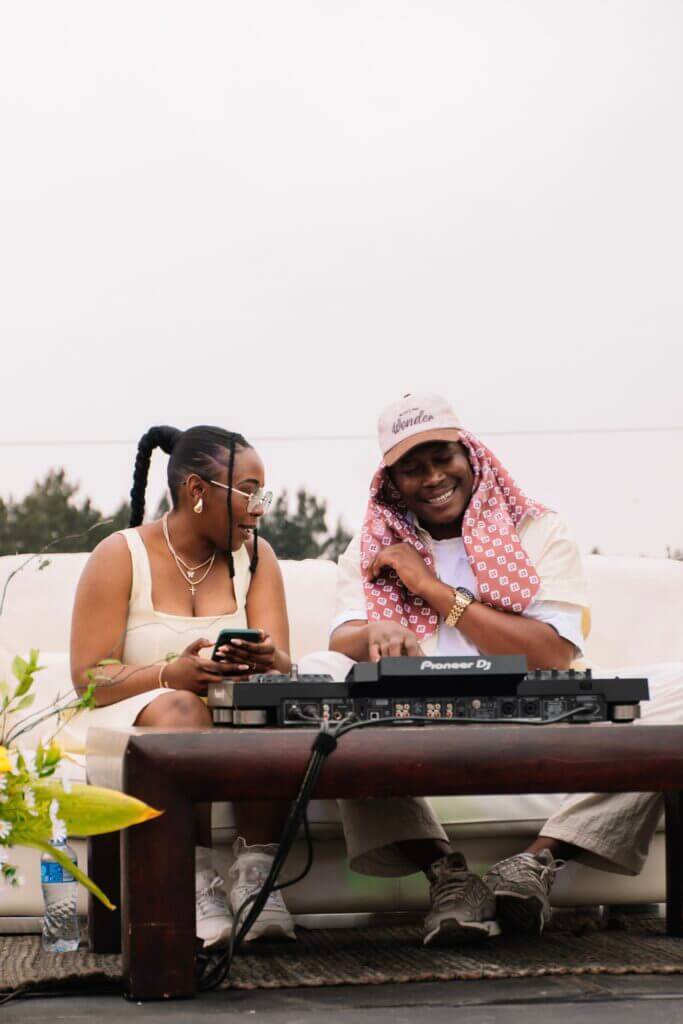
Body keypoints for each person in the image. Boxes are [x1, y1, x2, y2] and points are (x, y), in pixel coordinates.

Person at [300, 392, 591, 944]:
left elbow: (552, 653)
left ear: (470, 454)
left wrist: (430, 589)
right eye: (413, 468)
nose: (433, 478)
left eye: (442, 458)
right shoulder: (372, 545)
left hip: (534, 713)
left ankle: (532, 863)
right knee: (319, 674)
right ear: (392, 482)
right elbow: (343, 638)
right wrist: (373, 634)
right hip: (416, 721)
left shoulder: (538, 530)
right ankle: (448, 876)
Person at [68, 425, 295, 948]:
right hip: (133, 718)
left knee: (264, 704)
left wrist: (267, 659)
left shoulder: (257, 558)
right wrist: (171, 674)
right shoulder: (120, 554)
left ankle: (256, 876)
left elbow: (284, 664)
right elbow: (89, 677)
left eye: (263, 495)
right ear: (197, 491)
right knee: (182, 709)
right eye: (249, 493)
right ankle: (194, 881)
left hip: (225, 716)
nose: (259, 509)